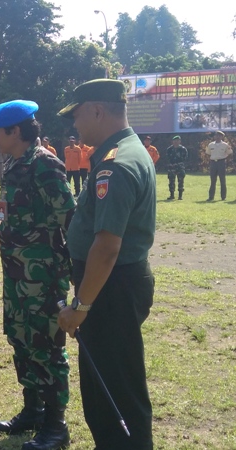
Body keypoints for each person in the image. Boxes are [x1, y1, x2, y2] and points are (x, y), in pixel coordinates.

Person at [57, 79, 156, 449]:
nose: (75, 126)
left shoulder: (115, 165)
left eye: (78, 115)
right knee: (107, 386)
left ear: (97, 110)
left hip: (109, 288)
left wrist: (80, 306)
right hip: (112, 285)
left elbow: (107, 246)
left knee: (116, 392)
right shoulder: (125, 151)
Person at [0, 100, 75, 449]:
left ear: (15, 131)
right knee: (21, 339)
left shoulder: (45, 165)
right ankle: (33, 411)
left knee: (47, 348)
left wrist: (68, 276)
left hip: (43, 277)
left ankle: (56, 425)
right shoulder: (14, 164)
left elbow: (70, 220)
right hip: (17, 273)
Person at [206, 131, 232, 201]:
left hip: (221, 162)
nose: (218, 137)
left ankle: (223, 197)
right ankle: (211, 197)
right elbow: (208, 154)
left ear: (222, 137)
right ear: (214, 136)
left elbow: (229, 153)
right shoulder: (211, 145)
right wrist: (211, 161)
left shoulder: (225, 145)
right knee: (213, 180)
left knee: (222, 180)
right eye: (216, 135)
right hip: (213, 162)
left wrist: (225, 159)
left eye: (219, 136)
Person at [165, 135, 188, 200]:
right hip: (171, 167)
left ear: (180, 141)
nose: (176, 142)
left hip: (180, 167)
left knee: (180, 181)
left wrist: (179, 163)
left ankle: (180, 196)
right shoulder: (169, 149)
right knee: (171, 181)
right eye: (175, 140)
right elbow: (167, 158)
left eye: (177, 140)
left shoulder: (183, 149)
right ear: (172, 141)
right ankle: (172, 195)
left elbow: (185, 158)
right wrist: (172, 163)